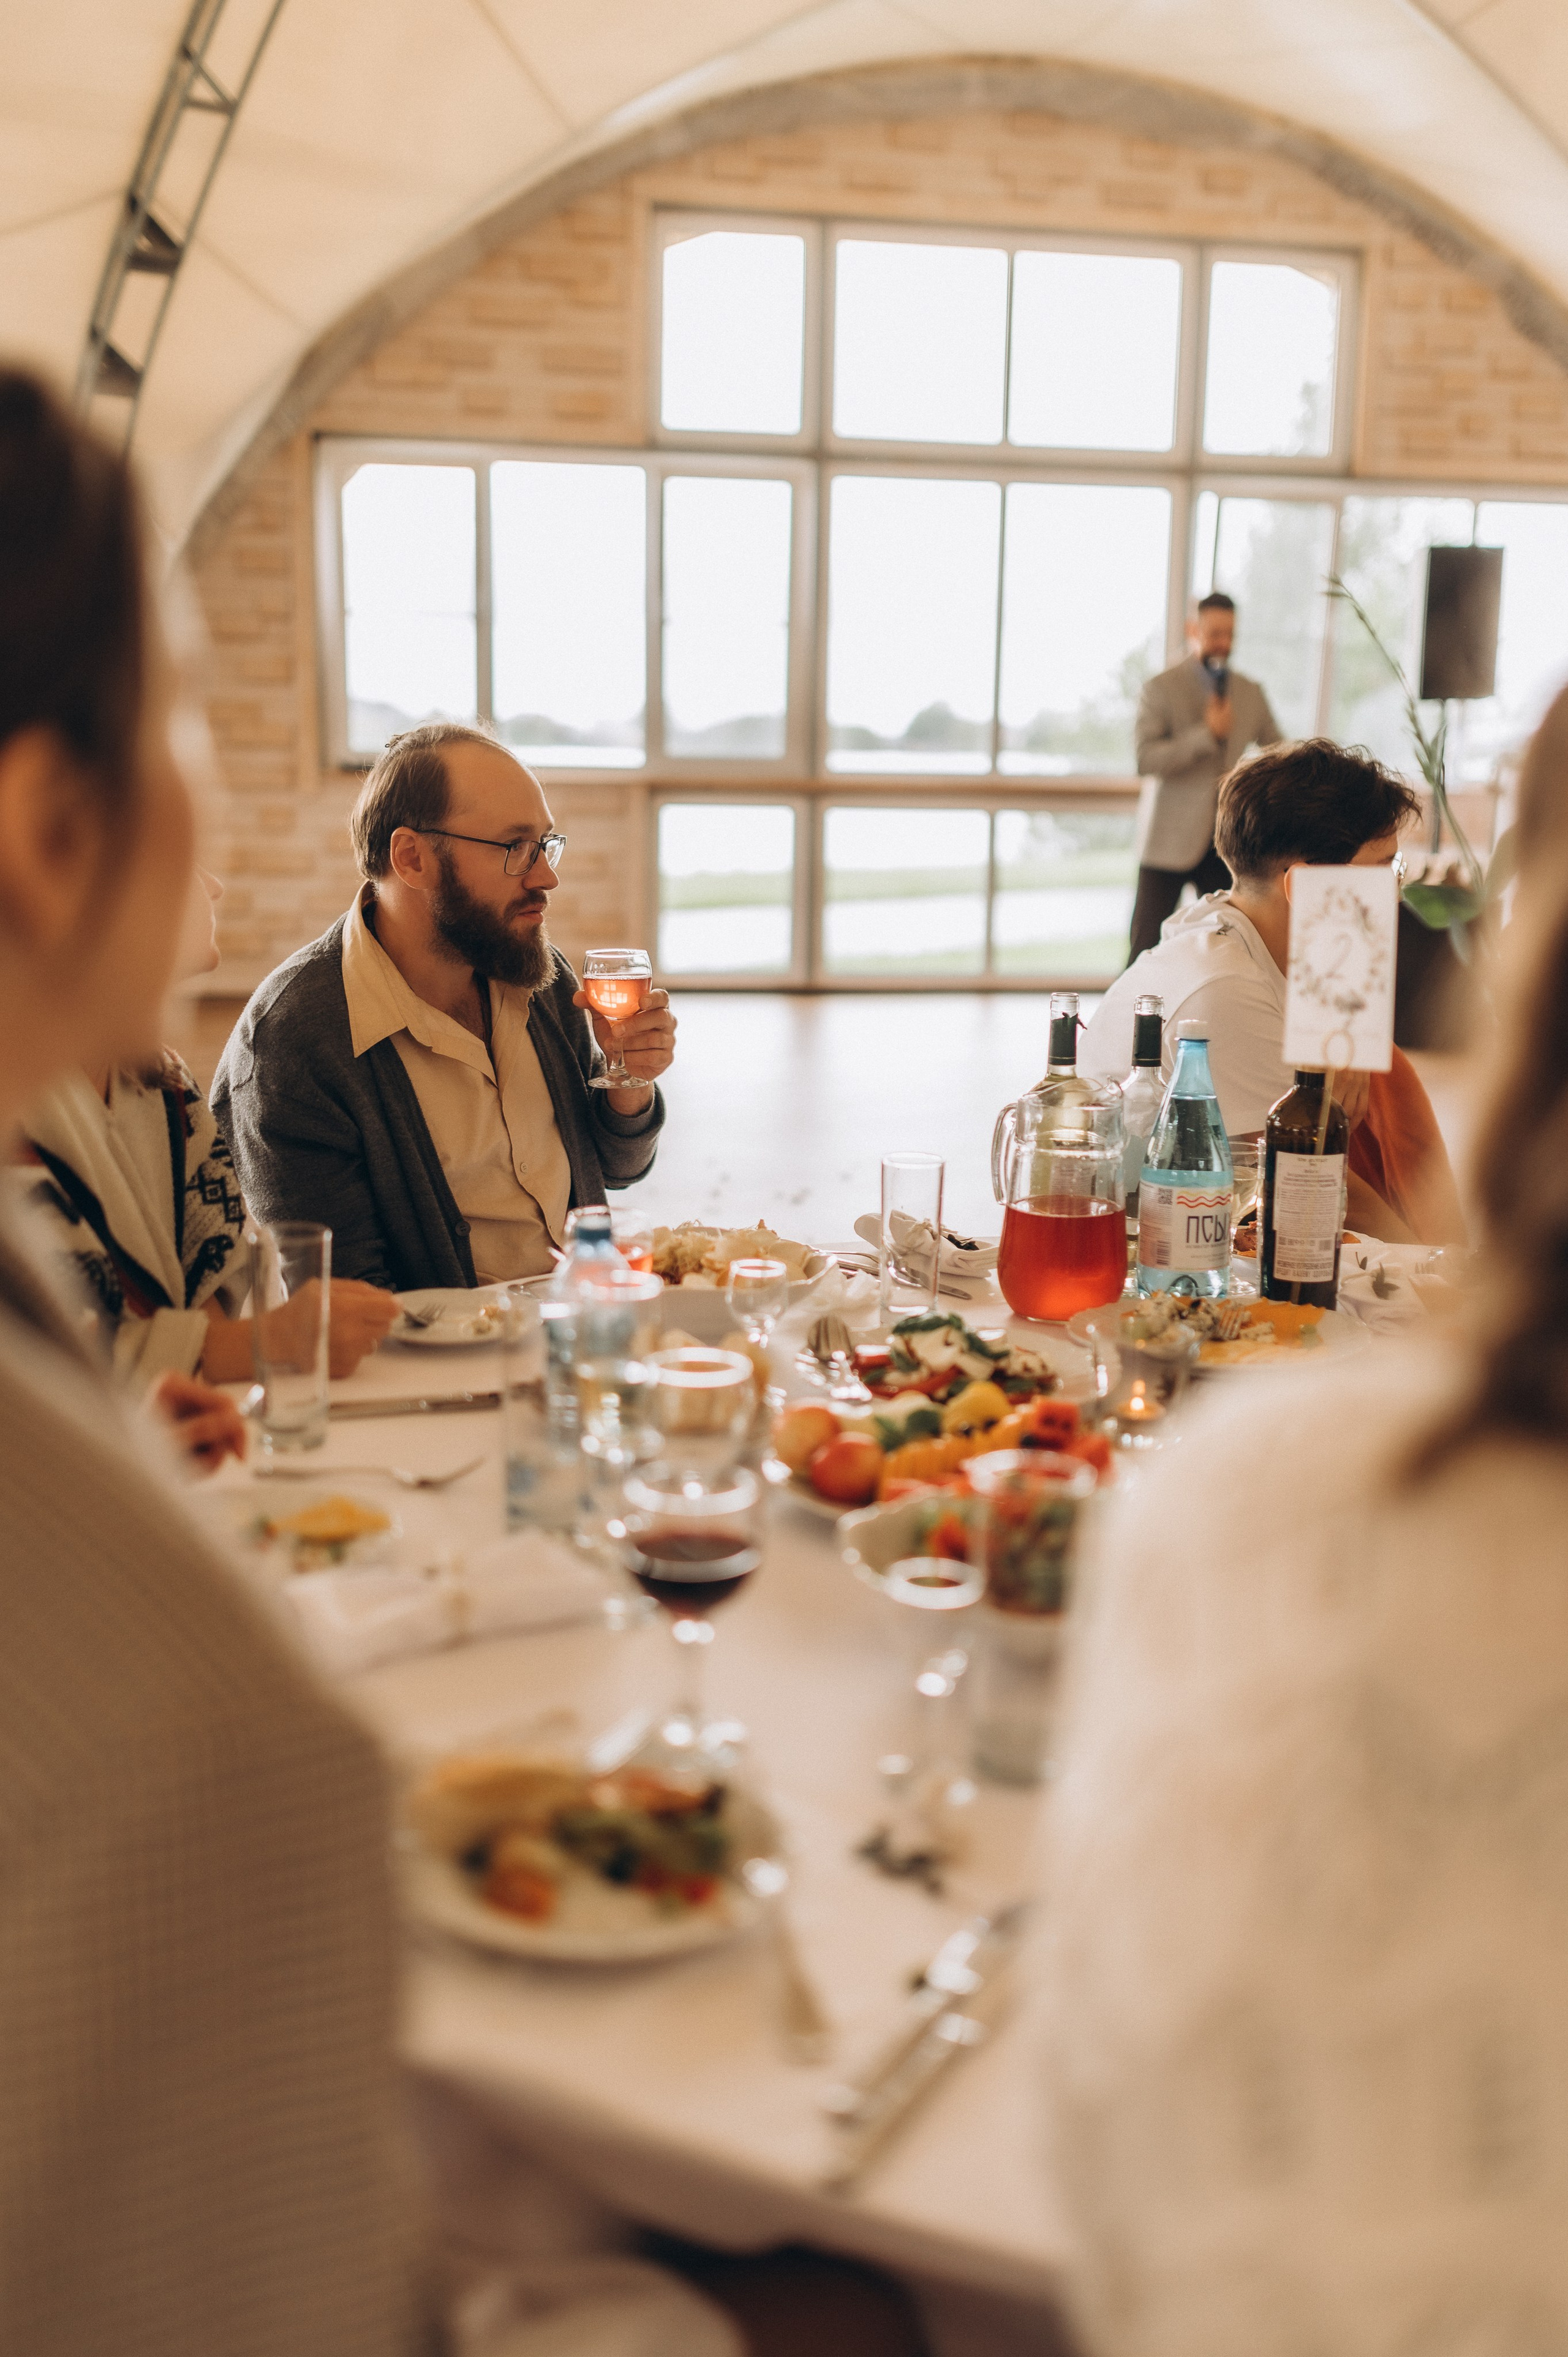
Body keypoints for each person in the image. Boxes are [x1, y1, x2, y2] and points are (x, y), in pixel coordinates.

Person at [1039, 685, 1568, 2357]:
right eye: (1377, 879)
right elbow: (1319, 1188)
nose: (1402, 913)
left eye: (1417, 886)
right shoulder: (1224, 988)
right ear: (1304, 873)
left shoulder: (1272, 1503)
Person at [213, 722, 675, 1291]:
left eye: (545, 844)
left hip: (585, 1323)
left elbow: (617, 1170)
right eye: (515, 848)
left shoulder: (538, 976)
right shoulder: (296, 1041)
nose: (547, 876)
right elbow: (347, 1302)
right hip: (451, 1369)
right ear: (411, 858)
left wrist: (630, 1083)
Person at [15, 865, 398, 1388]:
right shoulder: (15, 1096)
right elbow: (38, 1367)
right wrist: (275, 1340)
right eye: (187, 862)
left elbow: (208, 1308)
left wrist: (251, 1346)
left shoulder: (160, 1081)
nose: (214, 885)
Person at [1081, 737, 1466, 1245]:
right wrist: (1442, 1281)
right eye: (1382, 870)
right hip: (1145, 1257)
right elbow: (1315, 1189)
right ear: (1303, 885)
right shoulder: (1228, 990)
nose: (1394, 894)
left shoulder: (1218, 922)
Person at [1128, 592, 1282, 962]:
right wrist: (1206, 735)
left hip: (1226, 844)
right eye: (1215, 633)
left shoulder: (1250, 692)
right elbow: (1145, 759)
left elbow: (1278, 750)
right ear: (1193, 630)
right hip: (1168, 841)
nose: (1223, 644)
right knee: (1143, 946)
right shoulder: (1160, 688)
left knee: (1230, 945)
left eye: (1230, 634)